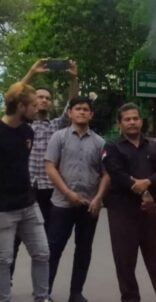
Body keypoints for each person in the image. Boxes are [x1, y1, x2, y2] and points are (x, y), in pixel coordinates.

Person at [0, 82, 71, 302]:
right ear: (20, 106)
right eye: (32, 104)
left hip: (28, 205)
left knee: (42, 252)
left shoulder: (28, 132)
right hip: (3, 209)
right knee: (4, 259)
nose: (37, 107)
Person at [102, 103, 156, 302]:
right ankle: (130, 298)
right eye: (127, 119)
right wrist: (139, 187)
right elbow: (115, 174)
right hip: (122, 209)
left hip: (151, 208)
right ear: (120, 123)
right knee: (125, 256)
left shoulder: (153, 147)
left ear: (141, 121)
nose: (132, 122)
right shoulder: (112, 148)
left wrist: (148, 183)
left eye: (135, 118)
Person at [45, 96, 108, 302]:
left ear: (91, 114)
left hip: (88, 205)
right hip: (62, 204)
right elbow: (50, 167)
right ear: (70, 113)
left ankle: (76, 292)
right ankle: (44, 292)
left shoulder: (100, 142)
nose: (82, 112)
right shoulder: (59, 137)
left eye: (86, 109)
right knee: (54, 248)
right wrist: (67, 192)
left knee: (84, 249)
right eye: (78, 109)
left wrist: (99, 198)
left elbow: (106, 173)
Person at [21, 59, 79, 229]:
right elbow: (15, 97)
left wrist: (73, 79)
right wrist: (31, 72)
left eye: (47, 98)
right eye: (40, 97)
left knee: (46, 235)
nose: (44, 100)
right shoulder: (23, 125)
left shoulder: (56, 125)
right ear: (32, 101)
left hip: (49, 187)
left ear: (51, 103)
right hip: (26, 186)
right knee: (16, 236)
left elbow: (72, 105)